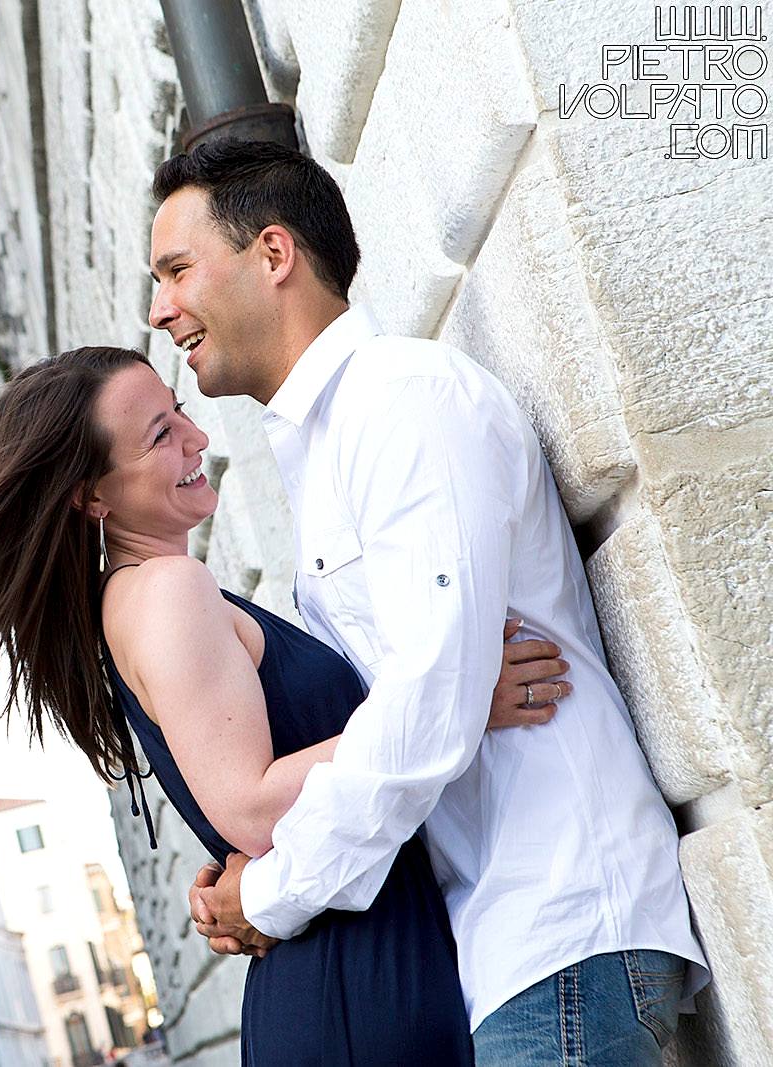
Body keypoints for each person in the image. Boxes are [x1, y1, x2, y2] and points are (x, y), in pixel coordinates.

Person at [146, 138, 708, 1064]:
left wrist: (278, 891)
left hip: (558, 923)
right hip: (497, 945)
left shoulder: (403, 402)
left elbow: (430, 701)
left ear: (274, 255)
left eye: (177, 268)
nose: (159, 307)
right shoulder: (326, 449)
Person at [0, 343, 574, 1063]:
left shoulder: (138, 596)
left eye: (178, 412)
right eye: (159, 435)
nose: (196, 438)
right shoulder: (167, 590)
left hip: (356, 960)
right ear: (91, 496)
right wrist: (454, 698)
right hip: (352, 985)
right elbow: (251, 806)